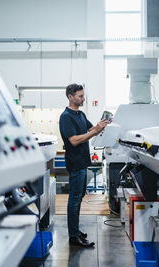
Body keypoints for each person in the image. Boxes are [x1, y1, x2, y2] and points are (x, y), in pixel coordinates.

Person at [59, 83, 109, 248]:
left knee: (78, 199)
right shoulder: (66, 117)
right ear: (70, 97)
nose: (83, 98)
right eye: (80, 96)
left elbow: (91, 128)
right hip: (75, 164)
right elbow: (73, 140)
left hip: (83, 163)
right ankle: (73, 236)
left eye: (83, 95)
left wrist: (102, 125)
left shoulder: (80, 114)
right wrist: (94, 132)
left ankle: (75, 231)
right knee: (74, 200)